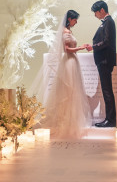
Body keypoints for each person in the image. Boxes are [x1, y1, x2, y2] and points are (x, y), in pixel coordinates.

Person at [36, 10, 92, 139]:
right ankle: (67, 123)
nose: (76, 22)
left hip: (73, 61)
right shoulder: (65, 32)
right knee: (69, 91)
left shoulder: (68, 31)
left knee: (73, 92)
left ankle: (72, 122)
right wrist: (81, 48)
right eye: (75, 19)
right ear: (70, 19)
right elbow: (67, 49)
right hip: (69, 61)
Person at [89, 0, 116, 128]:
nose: (95, 15)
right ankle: (109, 119)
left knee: (107, 91)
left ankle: (110, 120)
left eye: (95, 12)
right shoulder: (106, 22)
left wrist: (93, 47)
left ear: (102, 10)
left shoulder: (109, 22)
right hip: (103, 61)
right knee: (106, 91)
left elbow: (106, 42)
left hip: (105, 60)